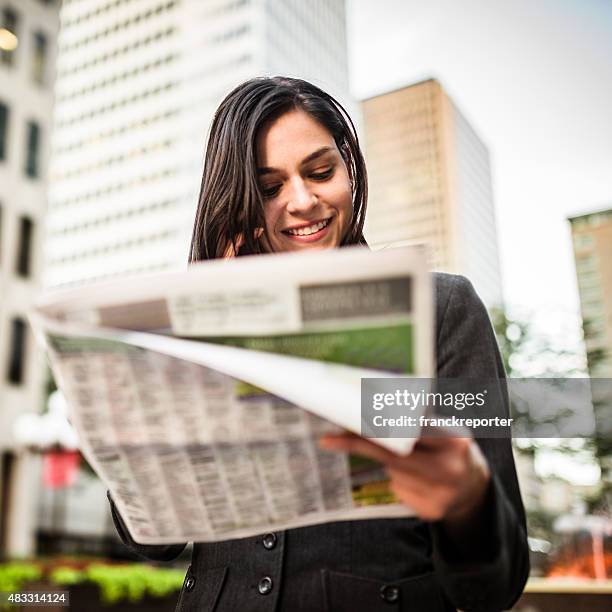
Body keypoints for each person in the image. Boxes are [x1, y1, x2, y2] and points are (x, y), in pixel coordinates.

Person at [108, 76, 529, 611]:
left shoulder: (442, 309)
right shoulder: (196, 330)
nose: (302, 201)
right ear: (239, 202)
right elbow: (151, 541)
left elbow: (497, 586)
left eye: (320, 172)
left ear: (349, 167)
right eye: (269, 188)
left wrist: (470, 501)